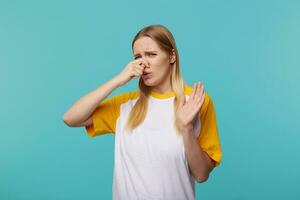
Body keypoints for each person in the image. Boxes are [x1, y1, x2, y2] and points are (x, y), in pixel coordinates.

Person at [63, 24, 222, 200]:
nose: (144, 63)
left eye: (151, 54)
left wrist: (186, 128)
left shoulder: (196, 102)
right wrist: (117, 80)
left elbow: (201, 175)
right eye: (138, 57)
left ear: (171, 56)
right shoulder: (125, 104)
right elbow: (70, 118)